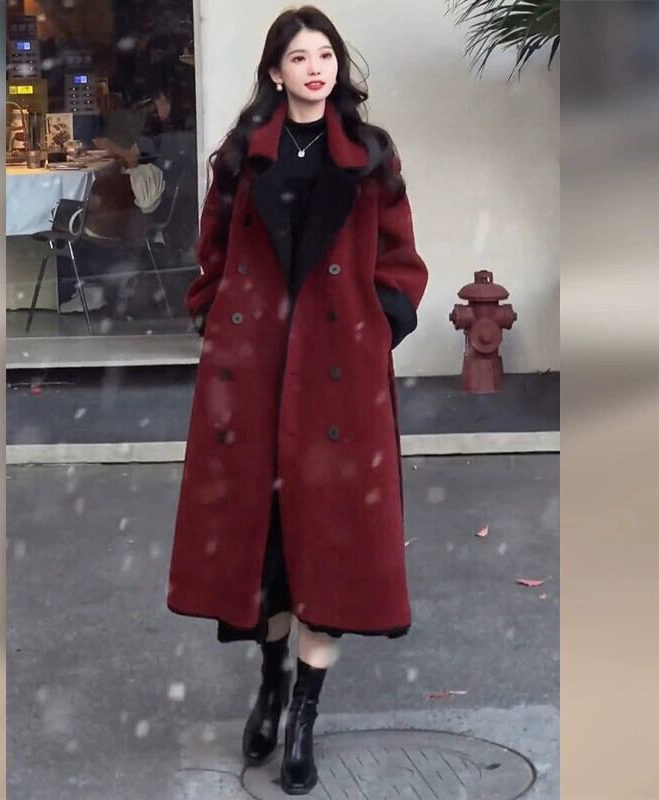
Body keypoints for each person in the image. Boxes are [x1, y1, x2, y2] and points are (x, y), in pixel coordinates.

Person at [166, 6, 428, 795]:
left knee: (331, 549)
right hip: (253, 375)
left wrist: (379, 323)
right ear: (275, 72)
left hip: (336, 378)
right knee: (267, 551)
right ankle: (271, 685)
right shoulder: (241, 155)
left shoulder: (371, 156)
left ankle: (304, 717)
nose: (315, 69)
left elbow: (401, 258)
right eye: (299, 57)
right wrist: (214, 316)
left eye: (326, 56)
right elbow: (213, 251)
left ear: (337, 68)